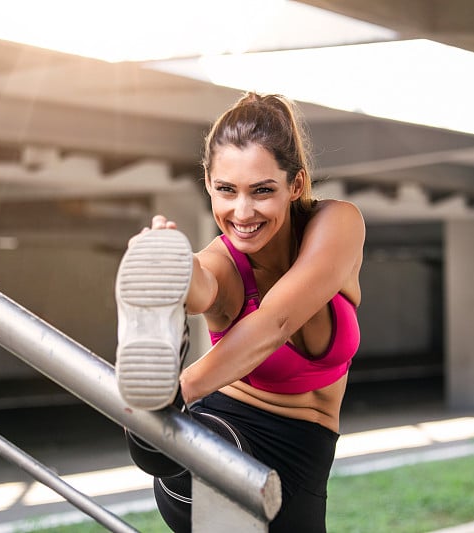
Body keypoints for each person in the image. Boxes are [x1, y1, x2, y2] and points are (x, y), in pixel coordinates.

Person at [114, 92, 365, 532]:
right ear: (209, 183)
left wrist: (179, 388)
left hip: (304, 466)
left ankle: (155, 424)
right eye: (226, 190)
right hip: (225, 436)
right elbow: (206, 286)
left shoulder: (337, 223)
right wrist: (174, 269)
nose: (242, 212)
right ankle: (156, 430)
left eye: (262, 191)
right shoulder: (224, 264)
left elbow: (278, 319)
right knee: (212, 459)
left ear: (297, 184)